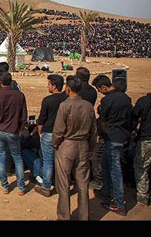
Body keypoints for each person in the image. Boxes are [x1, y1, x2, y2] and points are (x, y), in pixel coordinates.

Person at [52, 76, 97, 221]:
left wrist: (55, 143)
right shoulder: (88, 106)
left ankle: (64, 216)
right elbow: (93, 130)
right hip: (83, 145)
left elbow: (58, 129)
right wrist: (91, 147)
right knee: (83, 184)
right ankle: (84, 216)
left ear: (68, 88)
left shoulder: (64, 106)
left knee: (63, 183)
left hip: (67, 145)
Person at [92, 74, 132, 216]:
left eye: (99, 89)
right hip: (122, 136)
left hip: (112, 137)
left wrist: (99, 134)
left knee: (115, 171)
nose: (99, 92)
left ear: (104, 87)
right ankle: (105, 192)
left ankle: (119, 204)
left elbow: (103, 121)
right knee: (106, 163)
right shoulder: (126, 98)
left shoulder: (107, 100)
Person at [0, 72, 28, 195]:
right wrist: (21, 128)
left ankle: (4, 186)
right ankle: (21, 187)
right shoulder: (19, 96)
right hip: (13, 131)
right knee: (17, 158)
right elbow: (24, 114)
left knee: (1, 157)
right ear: (11, 82)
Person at [35, 74, 68, 197]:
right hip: (63, 133)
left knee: (48, 161)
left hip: (49, 133)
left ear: (54, 86)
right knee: (62, 161)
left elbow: (42, 118)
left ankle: (46, 186)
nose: (47, 86)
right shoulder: (66, 98)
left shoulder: (48, 100)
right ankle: (63, 186)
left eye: (48, 84)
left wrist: (39, 130)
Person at [132, 92, 151, 206]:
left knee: (141, 167)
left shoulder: (143, 101)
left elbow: (134, 118)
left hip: (146, 139)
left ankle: (143, 196)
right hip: (145, 138)